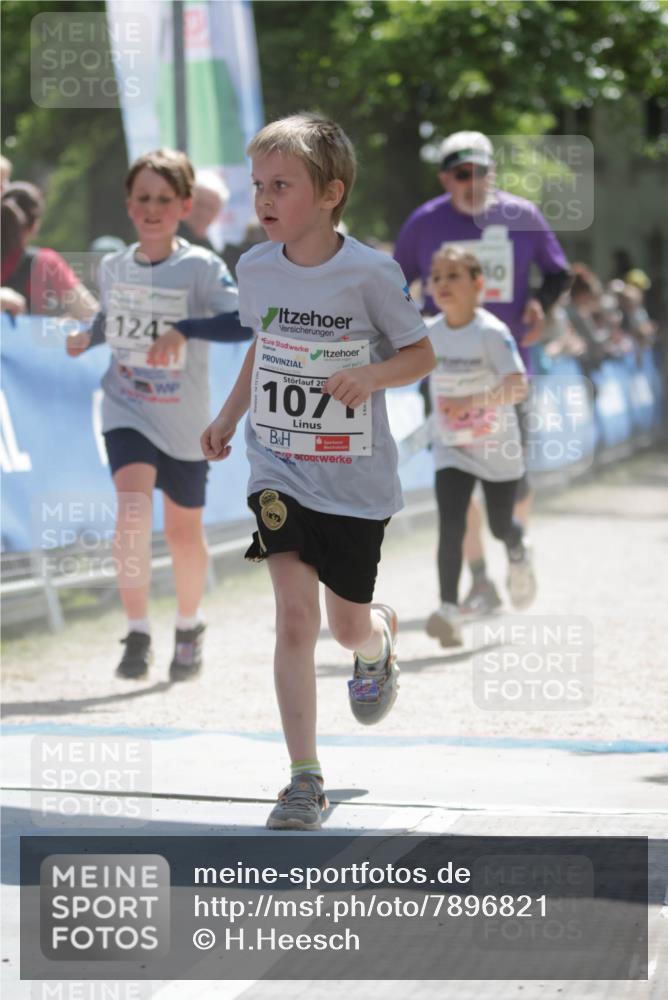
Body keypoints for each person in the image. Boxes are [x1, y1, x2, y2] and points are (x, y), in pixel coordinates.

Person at [201, 113, 435, 830]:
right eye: (258, 185)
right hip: (277, 464)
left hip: (354, 476)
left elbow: (419, 355)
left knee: (344, 628)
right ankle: (304, 779)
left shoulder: (369, 272)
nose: (264, 199)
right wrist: (230, 414)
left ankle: (378, 643)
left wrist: (371, 375)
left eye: (282, 186)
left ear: (331, 193)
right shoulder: (254, 266)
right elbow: (264, 347)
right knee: (294, 617)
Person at [65, 148, 252, 682]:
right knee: (131, 512)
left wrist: (186, 329)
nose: (152, 209)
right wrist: (89, 336)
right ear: (128, 205)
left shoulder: (199, 267)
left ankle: (189, 625)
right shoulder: (115, 265)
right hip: (126, 405)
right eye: (143, 198)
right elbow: (115, 319)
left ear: (184, 206)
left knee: (183, 533)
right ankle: (138, 631)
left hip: (185, 420)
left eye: (164, 200)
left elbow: (244, 321)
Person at [394, 131, 570, 616]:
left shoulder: (523, 216)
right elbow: (393, 282)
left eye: (480, 172)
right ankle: (477, 580)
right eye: (460, 174)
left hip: (508, 373)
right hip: (446, 377)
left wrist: (542, 303)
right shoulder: (424, 223)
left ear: (493, 173)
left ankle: (515, 550)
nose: (471, 182)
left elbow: (558, 272)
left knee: (514, 485)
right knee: (456, 477)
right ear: (444, 178)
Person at [424, 244, 535, 647]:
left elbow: (517, 385)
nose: (442, 284)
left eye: (453, 275)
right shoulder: (430, 334)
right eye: (437, 277)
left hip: (496, 447)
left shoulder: (490, 332)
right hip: (451, 446)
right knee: (451, 523)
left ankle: (518, 552)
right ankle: (449, 610)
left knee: (500, 524)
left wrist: (468, 403)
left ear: (478, 284)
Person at [1, 185, 98, 320]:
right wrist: (60, 324)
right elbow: (90, 314)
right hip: (26, 341)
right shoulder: (45, 262)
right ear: (35, 224)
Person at [177, 168, 229, 254]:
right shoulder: (168, 238)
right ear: (186, 203)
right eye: (199, 204)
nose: (203, 213)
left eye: (210, 208)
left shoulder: (211, 250)